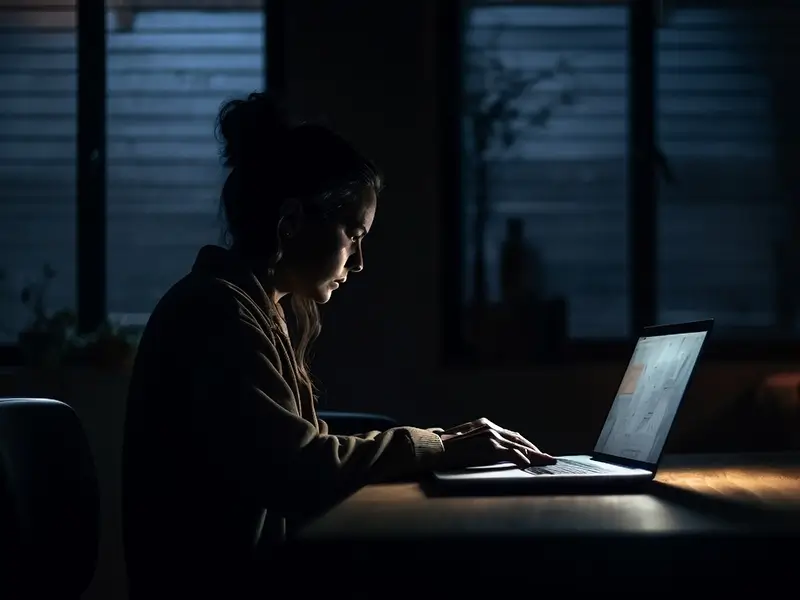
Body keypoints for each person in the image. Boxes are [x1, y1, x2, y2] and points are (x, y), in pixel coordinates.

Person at [121, 92, 555, 598]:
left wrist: (442, 440)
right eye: (353, 234)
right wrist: (432, 446)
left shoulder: (252, 306)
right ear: (290, 224)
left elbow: (289, 447)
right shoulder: (219, 316)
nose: (360, 261)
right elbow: (296, 468)